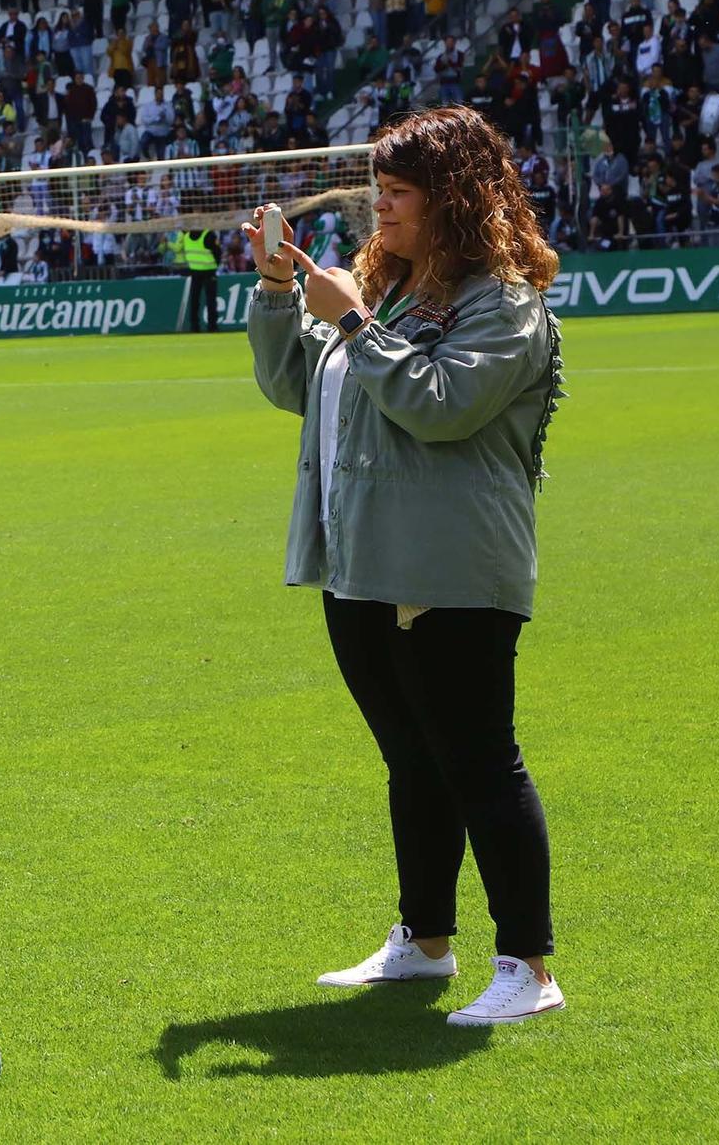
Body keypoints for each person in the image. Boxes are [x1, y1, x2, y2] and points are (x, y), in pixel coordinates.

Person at [241, 105, 568, 1028]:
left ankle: (529, 967)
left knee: (478, 762)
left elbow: (441, 406)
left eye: (398, 195)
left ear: (454, 202)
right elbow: (292, 387)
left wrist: (351, 321)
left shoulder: (502, 303)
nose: (378, 210)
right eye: (376, 193)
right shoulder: (387, 292)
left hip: (452, 567)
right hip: (363, 561)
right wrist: (278, 294)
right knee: (411, 761)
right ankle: (425, 943)